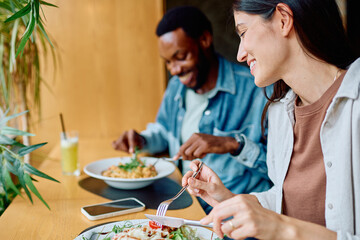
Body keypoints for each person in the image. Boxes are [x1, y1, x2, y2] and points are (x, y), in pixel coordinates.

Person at [182, 0, 360, 239]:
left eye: (243, 33)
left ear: (284, 19)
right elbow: (288, 203)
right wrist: (229, 200)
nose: (240, 53)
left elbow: (285, 226)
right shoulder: (280, 112)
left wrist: (281, 229)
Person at [112, 6, 272, 213]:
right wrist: (143, 140)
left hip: (235, 218)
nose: (175, 70)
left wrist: (233, 144)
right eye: (168, 62)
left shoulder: (257, 89)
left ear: (204, 40)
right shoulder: (177, 86)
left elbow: (279, 170)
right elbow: (164, 131)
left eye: (181, 56)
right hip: (185, 207)